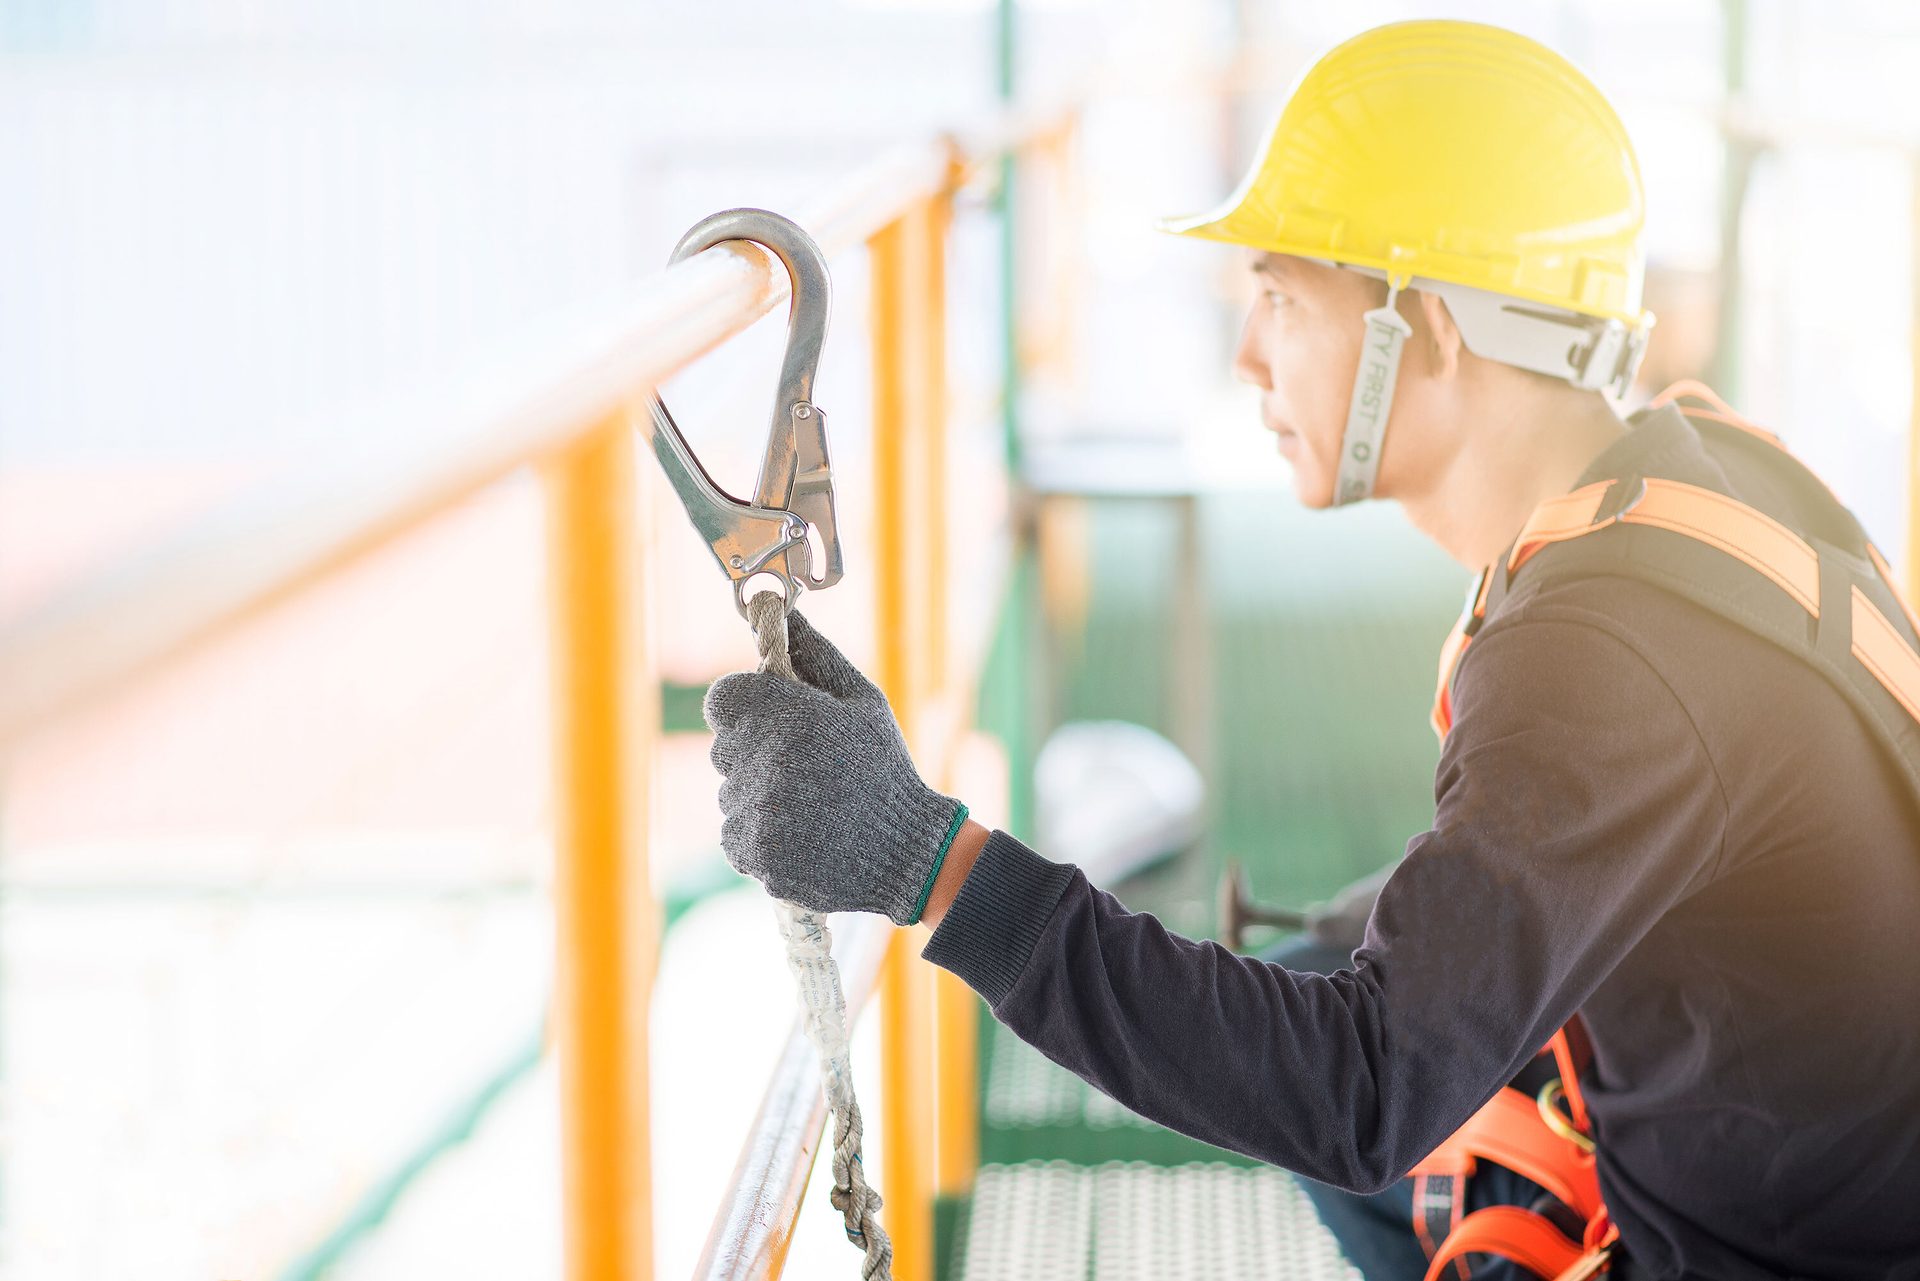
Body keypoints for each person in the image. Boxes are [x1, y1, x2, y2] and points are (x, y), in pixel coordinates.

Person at [701, 20, 1920, 1280]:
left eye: (1280, 298)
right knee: (1315, 972)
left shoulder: (1599, 656)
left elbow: (1358, 1093)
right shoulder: (1690, 473)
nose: (1244, 357)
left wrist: (928, 863)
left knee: (1321, 1079)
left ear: (1430, 332)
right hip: (1808, 1154)